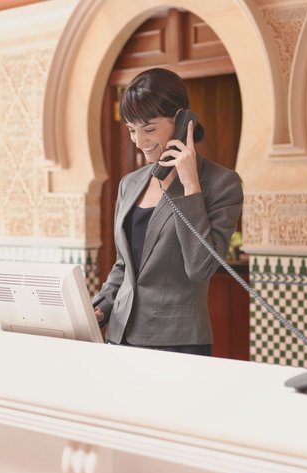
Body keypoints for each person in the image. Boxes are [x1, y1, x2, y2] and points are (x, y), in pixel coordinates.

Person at [92, 67, 243, 356]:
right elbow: (125, 266)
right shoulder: (130, 184)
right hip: (119, 337)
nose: (139, 140)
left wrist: (190, 186)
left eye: (149, 129)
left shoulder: (222, 184)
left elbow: (200, 268)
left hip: (177, 342)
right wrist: (101, 308)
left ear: (181, 120)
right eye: (131, 129)